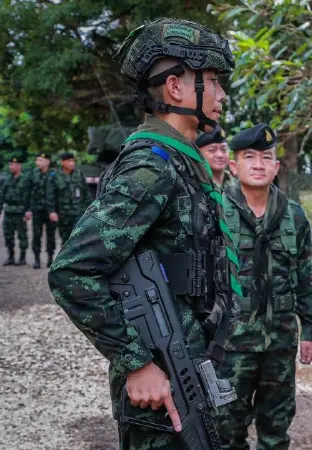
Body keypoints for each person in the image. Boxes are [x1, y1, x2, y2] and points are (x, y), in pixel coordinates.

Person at [48, 17, 241, 450]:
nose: (222, 94)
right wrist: (135, 363)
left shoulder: (182, 162)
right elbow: (72, 272)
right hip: (162, 387)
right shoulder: (152, 166)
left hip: (190, 368)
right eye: (211, 81)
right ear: (175, 87)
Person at [215, 123, 312, 450]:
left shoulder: (294, 215)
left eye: (266, 157)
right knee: (226, 428)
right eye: (249, 157)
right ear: (233, 166)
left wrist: (311, 328)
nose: (259, 164)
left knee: (276, 426)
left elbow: (307, 273)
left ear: (277, 167)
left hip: (279, 342)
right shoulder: (215, 211)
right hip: (229, 345)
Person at [46, 152, 91, 243]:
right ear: (62, 162)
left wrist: (89, 209)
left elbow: (86, 193)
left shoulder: (79, 174)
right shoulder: (55, 176)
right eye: (69, 161)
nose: (72, 163)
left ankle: (78, 257)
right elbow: (50, 195)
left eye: (73, 161)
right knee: (66, 239)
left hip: (79, 212)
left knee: (79, 238)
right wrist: (52, 211)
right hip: (63, 214)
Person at [26, 152, 58, 268]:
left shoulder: (54, 174)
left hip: (50, 211)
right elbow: (28, 192)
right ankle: (37, 259)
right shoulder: (33, 174)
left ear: (47, 161)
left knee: (51, 235)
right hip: (37, 210)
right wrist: (28, 209)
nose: (37, 162)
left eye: (40, 160)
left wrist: (54, 211)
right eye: (37, 160)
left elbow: (57, 193)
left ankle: (50, 258)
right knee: (36, 235)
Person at [1, 153, 31, 265]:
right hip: (8, 211)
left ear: (19, 166)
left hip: (20, 211)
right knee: (8, 235)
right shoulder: (7, 179)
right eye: (10, 164)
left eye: (13, 165)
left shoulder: (25, 179)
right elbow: (2, 195)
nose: (11, 167)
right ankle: (11, 257)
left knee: (22, 235)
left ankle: (22, 258)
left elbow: (29, 196)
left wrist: (28, 210)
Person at [197, 124, 237, 188]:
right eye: (212, 150)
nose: (220, 155)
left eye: (224, 149)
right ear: (198, 153)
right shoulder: (193, 184)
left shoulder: (237, 184)